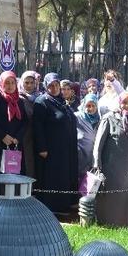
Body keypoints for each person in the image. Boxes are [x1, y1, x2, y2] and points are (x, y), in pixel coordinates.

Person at [94, 92, 128, 227]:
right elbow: (98, 144)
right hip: (112, 166)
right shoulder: (109, 118)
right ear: (119, 103)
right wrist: (97, 165)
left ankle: (126, 223)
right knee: (113, 196)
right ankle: (108, 223)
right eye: (124, 102)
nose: (127, 106)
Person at [34, 72, 79, 213]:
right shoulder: (42, 102)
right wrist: (42, 148)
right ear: (45, 87)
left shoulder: (61, 101)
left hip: (65, 148)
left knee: (64, 176)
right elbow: (37, 127)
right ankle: (52, 207)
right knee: (53, 177)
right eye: (50, 86)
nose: (54, 88)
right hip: (51, 149)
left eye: (56, 85)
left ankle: (64, 204)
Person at [0, 72, 28, 176]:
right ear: (2, 83)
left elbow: (25, 122)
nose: (10, 86)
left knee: (14, 177)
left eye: (13, 83)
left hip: (14, 145)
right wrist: (3, 136)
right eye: (7, 83)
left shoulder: (19, 100)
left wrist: (18, 137)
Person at [75, 93, 100, 181]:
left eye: (93, 106)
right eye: (88, 105)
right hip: (80, 154)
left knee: (91, 181)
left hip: (93, 155)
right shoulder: (77, 117)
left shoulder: (100, 119)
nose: (91, 108)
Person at [19, 71, 38, 178]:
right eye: (26, 83)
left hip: (37, 135)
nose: (29, 85)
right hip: (23, 136)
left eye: (32, 82)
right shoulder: (18, 98)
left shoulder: (40, 97)